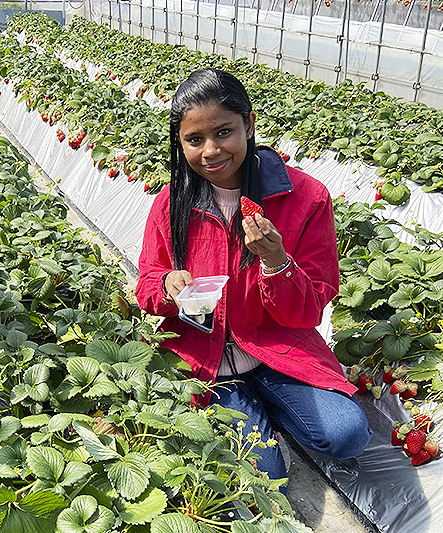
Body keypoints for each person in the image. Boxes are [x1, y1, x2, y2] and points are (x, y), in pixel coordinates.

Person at [135, 68, 371, 483]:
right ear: (180, 142)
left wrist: (278, 263)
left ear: (249, 124)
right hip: (205, 358)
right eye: (194, 140)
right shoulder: (170, 203)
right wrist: (168, 286)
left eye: (224, 132)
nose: (211, 151)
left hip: (277, 349)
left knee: (347, 435)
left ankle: (276, 406)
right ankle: (254, 412)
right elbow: (147, 284)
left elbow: (310, 308)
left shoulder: (305, 197)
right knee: (269, 477)